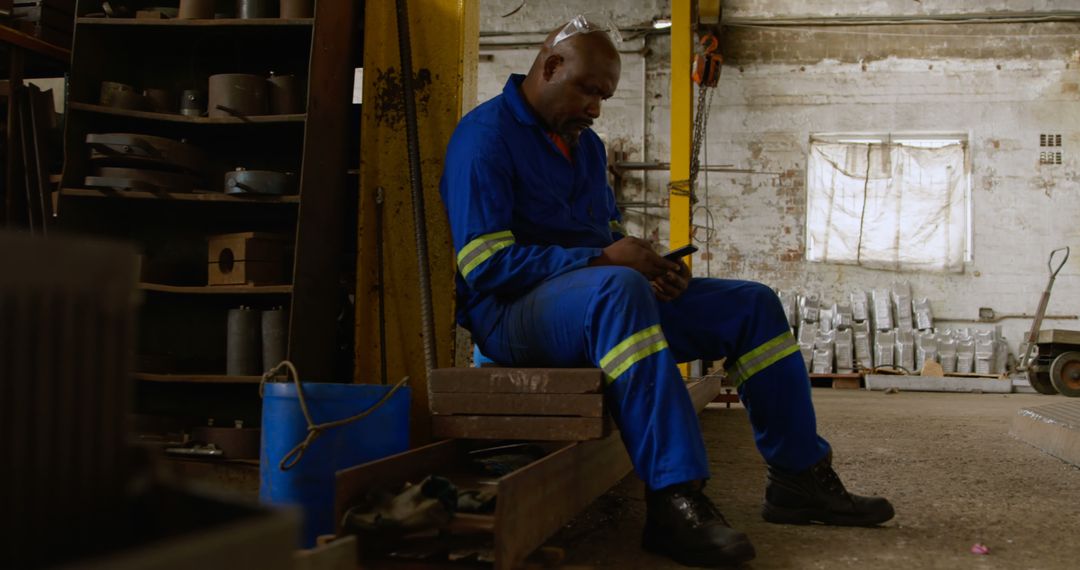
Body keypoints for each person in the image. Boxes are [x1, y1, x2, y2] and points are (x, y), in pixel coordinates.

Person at [439, 17, 894, 567]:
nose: (596, 108)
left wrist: (653, 267)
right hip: (511, 316)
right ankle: (674, 497)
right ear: (550, 66)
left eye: (604, 96)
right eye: (587, 90)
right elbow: (485, 266)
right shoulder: (484, 138)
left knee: (751, 305)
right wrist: (606, 259)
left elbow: (599, 234)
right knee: (617, 289)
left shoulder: (584, 147)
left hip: (597, 297)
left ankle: (799, 479)